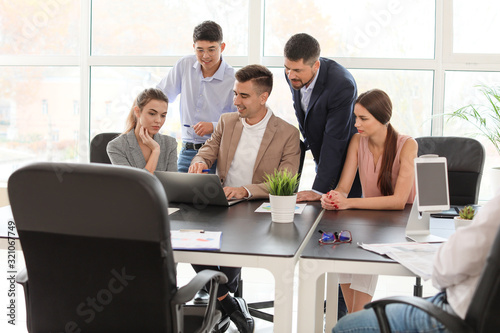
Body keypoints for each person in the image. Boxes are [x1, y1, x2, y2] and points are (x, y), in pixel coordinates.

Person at [189, 64, 301, 333]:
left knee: (230, 246)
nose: (235, 101)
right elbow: (207, 151)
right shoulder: (227, 122)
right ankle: (230, 303)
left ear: (263, 97)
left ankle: (223, 305)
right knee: (187, 239)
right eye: (235, 94)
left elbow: (286, 181)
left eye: (243, 96)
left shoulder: (287, 133)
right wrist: (198, 162)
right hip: (221, 201)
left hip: (255, 208)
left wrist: (246, 190)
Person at [332, 192, 500, 333]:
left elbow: (443, 271)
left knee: (345, 327)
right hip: (481, 320)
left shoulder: (496, 210)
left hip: (455, 318)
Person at [321, 89, 417, 313]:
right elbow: (344, 188)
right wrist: (335, 198)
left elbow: (399, 201)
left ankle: (354, 319)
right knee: (342, 246)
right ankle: (353, 319)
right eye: (356, 117)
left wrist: (349, 203)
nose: (356, 123)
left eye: (363, 118)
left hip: (400, 224)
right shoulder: (358, 141)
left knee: (365, 247)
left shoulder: (407, 145)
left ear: (383, 119)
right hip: (372, 217)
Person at [284, 33, 362, 202]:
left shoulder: (341, 85)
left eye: (297, 70)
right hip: (323, 156)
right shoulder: (293, 75)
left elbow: (335, 139)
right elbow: (303, 113)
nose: (290, 75)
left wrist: (318, 190)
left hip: (346, 160)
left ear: (316, 65)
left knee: (343, 221)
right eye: (287, 68)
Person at [156, 20, 236, 173]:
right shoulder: (185, 65)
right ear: (194, 48)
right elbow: (161, 95)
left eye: (212, 50)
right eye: (200, 50)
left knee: (210, 196)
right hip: (186, 150)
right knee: (177, 194)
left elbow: (238, 120)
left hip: (216, 153)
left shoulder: (233, 79)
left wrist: (213, 126)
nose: (205, 56)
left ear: (222, 47)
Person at [107, 88, 177, 174]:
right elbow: (134, 184)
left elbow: (171, 184)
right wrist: (155, 150)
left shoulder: (170, 144)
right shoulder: (117, 146)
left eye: (163, 115)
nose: (158, 120)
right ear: (137, 112)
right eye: (152, 113)